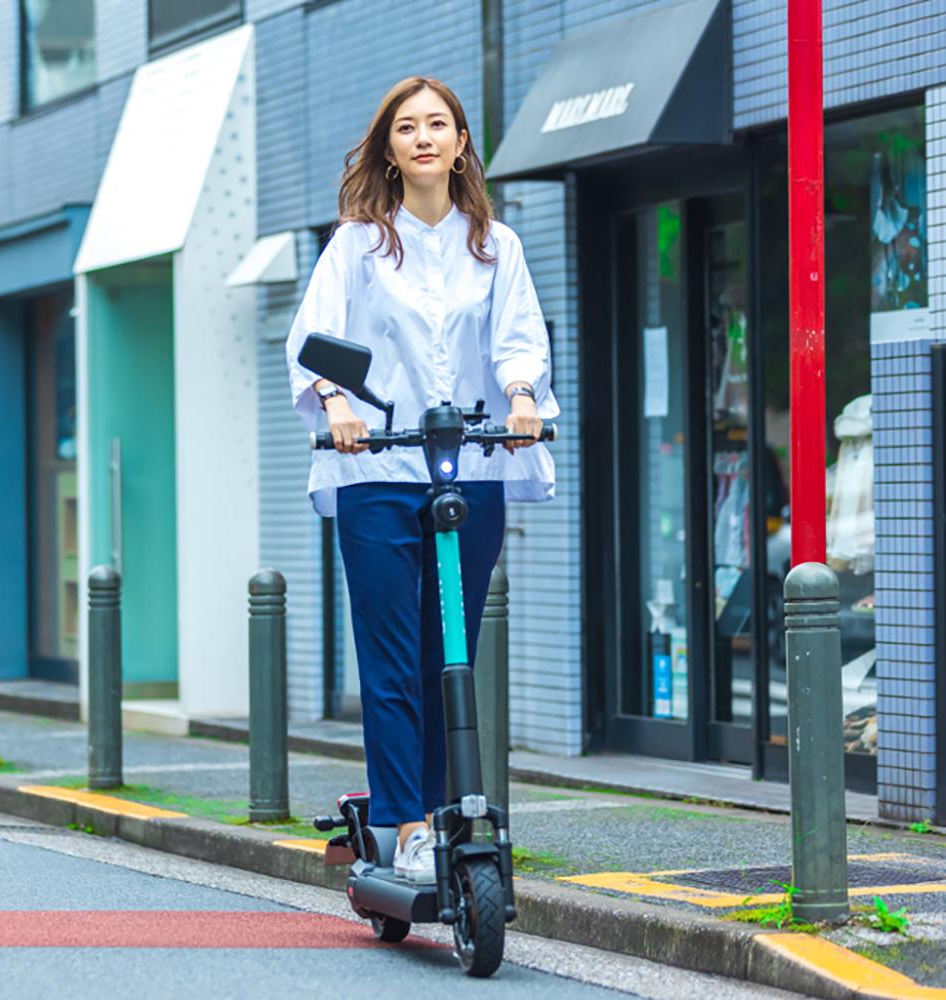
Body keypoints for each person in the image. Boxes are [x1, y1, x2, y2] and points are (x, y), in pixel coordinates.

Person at [285, 77, 557, 882]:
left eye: (438, 124)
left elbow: (518, 338)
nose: (424, 137)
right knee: (393, 658)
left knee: (453, 655)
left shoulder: (496, 246)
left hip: (469, 467)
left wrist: (519, 398)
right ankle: (405, 823)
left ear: (461, 143)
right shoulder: (358, 247)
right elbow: (314, 339)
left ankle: (447, 813)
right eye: (407, 127)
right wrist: (337, 402)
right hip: (376, 468)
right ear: (391, 149)